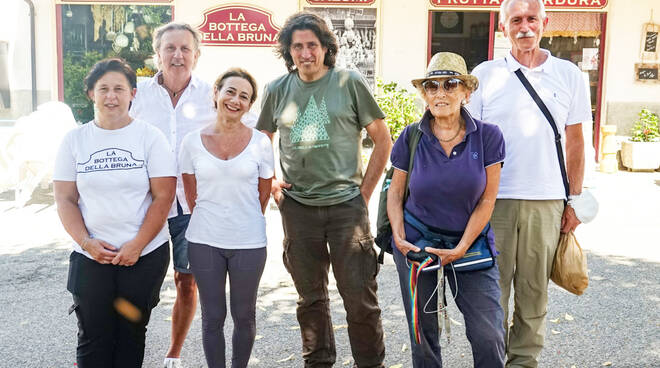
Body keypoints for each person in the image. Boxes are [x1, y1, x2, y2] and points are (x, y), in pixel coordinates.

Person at [257, 12, 392, 368]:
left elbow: (382, 140)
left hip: (347, 208)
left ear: (325, 48)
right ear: (288, 51)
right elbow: (261, 142)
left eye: (312, 45)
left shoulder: (348, 82)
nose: (305, 53)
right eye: (297, 46)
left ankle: (370, 363)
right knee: (310, 300)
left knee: (359, 298)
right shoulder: (276, 89)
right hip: (298, 208)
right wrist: (271, 179)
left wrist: (363, 195)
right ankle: (318, 363)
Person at [466, 0, 589, 366]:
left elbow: (577, 141)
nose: (524, 27)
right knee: (492, 293)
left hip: (547, 200)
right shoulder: (485, 74)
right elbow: (470, 140)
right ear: (504, 27)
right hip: (493, 201)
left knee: (534, 294)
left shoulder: (569, 75)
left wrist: (575, 200)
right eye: (515, 20)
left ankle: (524, 362)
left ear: (544, 23)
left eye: (531, 19)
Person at [53, 58, 176, 367]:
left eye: (119, 89)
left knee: (131, 332)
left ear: (133, 93)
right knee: (93, 334)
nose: (111, 96)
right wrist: (86, 242)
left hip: (144, 254)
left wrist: (137, 245)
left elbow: (163, 197)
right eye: (103, 88)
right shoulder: (74, 140)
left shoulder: (151, 137)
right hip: (91, 254)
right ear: (91, 94)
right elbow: (66, 200)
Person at [388, 52, 506, 367]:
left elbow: (487, 199)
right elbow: (396, 192)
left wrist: (462, 246)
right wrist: (399, 238)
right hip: (418, 244)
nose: (441, 92)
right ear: (424, 94)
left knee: (488, 333)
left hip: (471, 244)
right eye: (432, 86)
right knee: (423, 336)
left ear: (466, 92)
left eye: (451, 84)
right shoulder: (411, 136)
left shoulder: (489, 136)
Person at [129, 22, 215, 368]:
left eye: (184, 49)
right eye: (169, 48)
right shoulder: (137, 93)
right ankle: (126, 346)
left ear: (196, 54)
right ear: (157, 53)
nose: (177, 55)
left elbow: (247, 134)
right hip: (142, 202)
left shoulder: (212, 94)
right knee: (135, 277)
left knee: (186, 279)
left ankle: (174, 354)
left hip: (192, 203)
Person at [178, 68, 273, 368]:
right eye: (230, 91)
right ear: (216, 93)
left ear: (249, 105)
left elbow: (263, 194)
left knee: (244, 315)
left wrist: (241, 219)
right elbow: (191, 194)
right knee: (213, 316)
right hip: (204, 241)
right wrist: (213, 218)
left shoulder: (261, 143)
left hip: (249, 242)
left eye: (244, 96)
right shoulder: (192, 142)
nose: (235, 100)